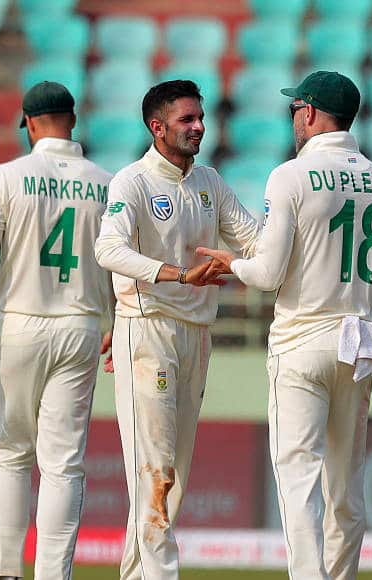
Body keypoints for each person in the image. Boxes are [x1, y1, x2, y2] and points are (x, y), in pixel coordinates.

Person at [197, 71, 372, 580]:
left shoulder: (290, 176)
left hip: (302, 339)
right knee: (345, 487)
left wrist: (231, 265)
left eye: (296, 109)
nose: (293, 118)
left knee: (298, 482)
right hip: (356, 342)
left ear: (310, 112)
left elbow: (267, 274)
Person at [0, 81, 114, 580]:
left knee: (11, 452)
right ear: (72, 121)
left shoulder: (9, 175)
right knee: (63, 464)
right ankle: (54, 574)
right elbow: (121, 262)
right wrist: (118, 321)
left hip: (20, 323)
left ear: (30, 124)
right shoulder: (106, 181)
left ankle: (4, 572)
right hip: (80, 326)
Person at [93, 80, 260, 580]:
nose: (199, 127)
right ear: (157, 127)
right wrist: (179, 274)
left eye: (200, 118)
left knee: (171, 477)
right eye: (187, 120)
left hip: (196, 335)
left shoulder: (208, 181)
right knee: (156, 472)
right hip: (148, 332)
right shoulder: (133, 182)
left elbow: (253, 240)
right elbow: (109, 250)